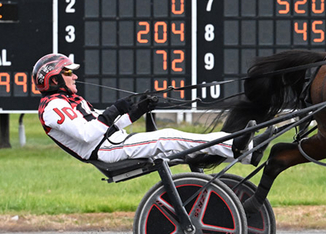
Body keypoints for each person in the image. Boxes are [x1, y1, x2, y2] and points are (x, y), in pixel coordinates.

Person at [33, 53, 272, 165]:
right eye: (67, 73)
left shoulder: (70, 101)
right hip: (105, 151)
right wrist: (113, 109)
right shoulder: (54, 107)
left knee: (174, 139)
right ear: (53, 79)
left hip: (111, 143)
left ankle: (248, 153)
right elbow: (87, 135)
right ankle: (236, 147)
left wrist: (136, 112)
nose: (74, 76)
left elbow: (104, 127)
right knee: (168, 136)